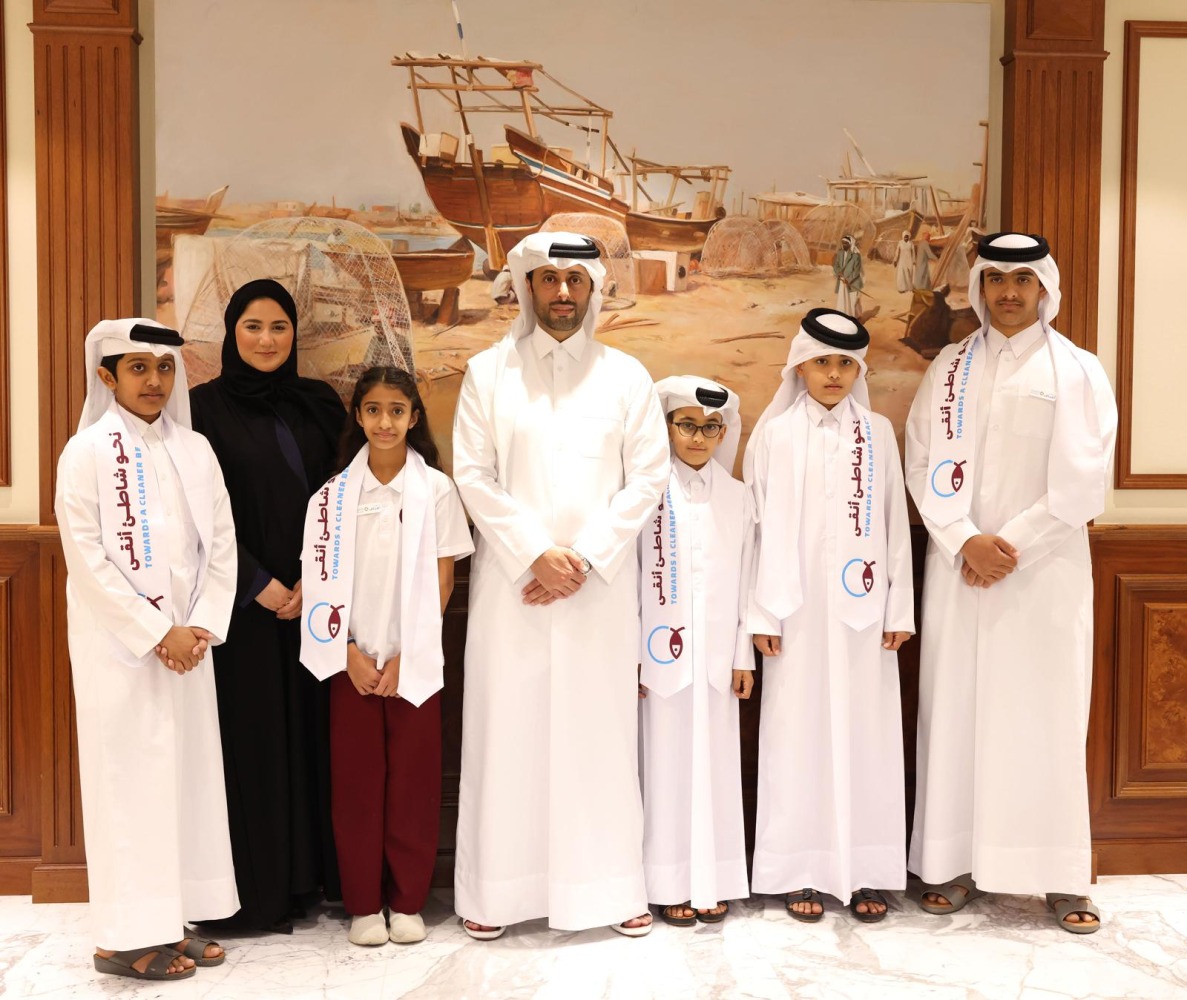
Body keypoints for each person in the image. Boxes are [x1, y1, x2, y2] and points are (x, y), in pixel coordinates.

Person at [452, 232, 670, 939]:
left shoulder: (626, 376)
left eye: (574, 280)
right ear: (525, 288)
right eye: (548, 280)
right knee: (506, 735)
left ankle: (607, 889)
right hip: (513, 590)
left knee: (597, 737)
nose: (562, 294)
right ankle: (497, 894)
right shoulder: (487, 373)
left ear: (593, 290)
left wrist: (581, 557)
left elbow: (647, 478)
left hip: (597, 593)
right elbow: (472, 474)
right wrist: (533, 555)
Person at [905, 233, 1117, 933]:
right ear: (979, 287)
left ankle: (1055, 877)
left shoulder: (1077, 370)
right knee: (955, 714)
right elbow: (919, 458)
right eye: (994, 280)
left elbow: (1084, 483)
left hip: (1041, 577)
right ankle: (953, 864)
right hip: (958, 569)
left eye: (1020, 282)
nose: (1006, 294)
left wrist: (1009, 545)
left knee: (1042, 719)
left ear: (1043, 289)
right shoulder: (949, 368)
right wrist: (964, 538)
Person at [55, 319, 238, 981]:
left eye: (163, 368)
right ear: (107, 376)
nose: (154, 381)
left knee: (181, 784)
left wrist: (201, 626)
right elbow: (88, 561)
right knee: (128, 789)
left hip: (190, 647)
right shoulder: (85, 452)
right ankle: (122, 939)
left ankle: (172, 921)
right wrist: (157, 632)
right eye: (138, 369)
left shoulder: (196, 448)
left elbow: (221, 543)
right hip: (123, 652)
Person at [745, 308, 914, 924]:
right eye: (823, 361)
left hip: (864, 618)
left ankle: (866, 867)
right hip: (791, 614)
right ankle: (801, 868)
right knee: (796, 734)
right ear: (800, 365)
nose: (835, 374)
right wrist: (760, 612)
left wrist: (900, 606)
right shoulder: (773, 435)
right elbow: (755, 531)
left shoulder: (878, 433)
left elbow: (895, 523)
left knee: (865, 735)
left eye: (846, 363)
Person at [190, 279, 346, 932]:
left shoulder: (320, 405)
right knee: (252, 744)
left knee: (312, 738)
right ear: (232, 333)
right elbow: (197, 515)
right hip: (241, 611)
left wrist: (316, 577)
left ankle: (307, 880)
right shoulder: (200, 409)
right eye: (252, 326)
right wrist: (260, 584)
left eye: (278, 327)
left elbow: (344, 491)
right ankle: (255, 892)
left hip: (317, 607)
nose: (265, 339)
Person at [299, 367, 473, 947]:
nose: (384, 422)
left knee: (413, 785)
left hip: (412, 662)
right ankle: (364, 905)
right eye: (372, 409)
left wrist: (408, 651)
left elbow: (445, 578)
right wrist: (347, 651)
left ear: (415, 418)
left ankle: (406, 902)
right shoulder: (330, 498)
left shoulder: (438, 491)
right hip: (351, 661)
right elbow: (320, 584)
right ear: (358, 416)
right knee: (356, 785)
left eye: (396, 410)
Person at [639, 376, 754, 929]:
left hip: (716, 662)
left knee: (715, 764)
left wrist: (742, 655)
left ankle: (714, 876)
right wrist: (632, 655)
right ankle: (666, 880)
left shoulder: (738, 497)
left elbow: (748, 581)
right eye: (687, 425)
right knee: (663, 765)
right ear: (666, 428)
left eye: (711, 427)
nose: (700, 437)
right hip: (656, 660)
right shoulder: (643, 493)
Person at [833, 234, 864, 315]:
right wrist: (838, 272)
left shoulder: (855, 255)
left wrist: (849, 280)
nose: (844, 245)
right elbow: (836, 265)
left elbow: (856, 271)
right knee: (842, 300)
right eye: (842, 243)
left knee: (852, 301)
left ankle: (852, 317)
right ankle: (842, 315)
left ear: (850, 244)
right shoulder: (840, 253)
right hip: (842, 281)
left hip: (852, 282)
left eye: (845, 243)